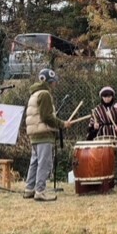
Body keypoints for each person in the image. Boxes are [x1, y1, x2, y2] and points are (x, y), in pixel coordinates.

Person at [24, 68, 72, 201]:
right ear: (49, 82)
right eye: (54, 82)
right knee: (44, 163)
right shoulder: (45, 94)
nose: (55, 85)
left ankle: (29, 188)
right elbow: (46, 117)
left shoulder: (34, 93)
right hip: (44, 133)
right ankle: (40, 191)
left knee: (34, 162)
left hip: (34, 134)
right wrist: (62, 124)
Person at [87, 86, 117, 184]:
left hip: (114, 136)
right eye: (105, 96)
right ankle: (101, 175)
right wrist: (95, 127)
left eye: (109, 96)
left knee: (114, 156)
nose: (107, 98)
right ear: (101, 97)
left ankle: (114, 177)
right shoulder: (97, 109)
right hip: (101, 135)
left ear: (112, 96)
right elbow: (90, 128)